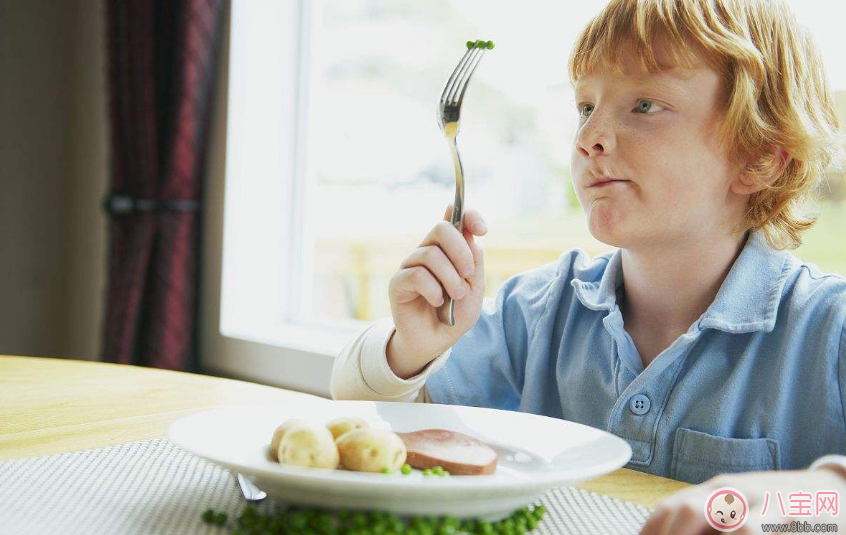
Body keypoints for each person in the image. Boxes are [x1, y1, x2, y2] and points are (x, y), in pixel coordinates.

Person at [331, 0, 846, 531]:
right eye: (584, 107)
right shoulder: (535, 313)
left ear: (759, 155)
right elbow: (359, 420)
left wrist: (810, 496)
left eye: (644, 104)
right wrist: (411, 348)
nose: (587, 137)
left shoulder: (830, 331)